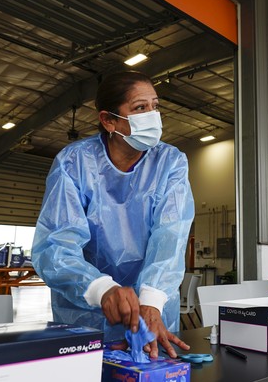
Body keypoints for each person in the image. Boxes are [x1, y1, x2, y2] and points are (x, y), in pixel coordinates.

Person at [31, 71, 195, 359]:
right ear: (108, 120)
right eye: (140, 108)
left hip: (153, 313)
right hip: (86, 311)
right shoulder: (74, 162)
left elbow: (171, 235)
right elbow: (55, 246)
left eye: (155, 106)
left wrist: (153, 300)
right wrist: (100, 288)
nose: (153, 116)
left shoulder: (170, 162)